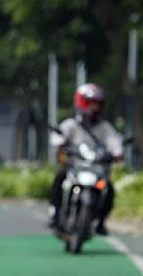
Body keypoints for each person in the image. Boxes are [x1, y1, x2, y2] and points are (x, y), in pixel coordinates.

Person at [48, 83, 125, 235]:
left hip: (96, 167)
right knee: (59, 178)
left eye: (96, 104)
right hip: (75, 166)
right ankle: (55, 213)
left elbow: (114, 143)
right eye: (90, 103)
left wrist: (117, 153)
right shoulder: (71, 125)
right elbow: (58, 136)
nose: (93, 107)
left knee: (108, 188)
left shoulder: (105, 127)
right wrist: (61, 143)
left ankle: (101, 222)